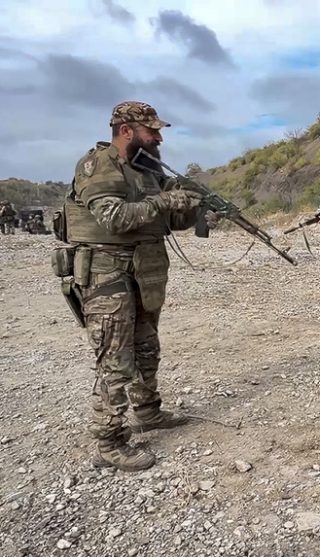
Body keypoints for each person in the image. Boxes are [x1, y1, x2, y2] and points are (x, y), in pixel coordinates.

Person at [62, 100, 217, 471]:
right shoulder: (99, 165)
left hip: (141, 271)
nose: (158, 137)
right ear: (126, 131)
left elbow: (163, 221)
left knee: (147, 346)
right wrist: (166, 199)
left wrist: (194, 209)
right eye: (152, 131)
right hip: (106, 274)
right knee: (116, 359)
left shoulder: (143, 171)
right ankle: (109, 441)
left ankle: (148, 411)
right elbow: (113, 218)